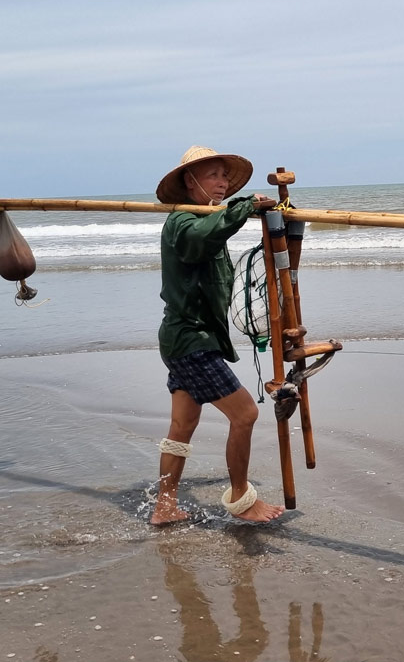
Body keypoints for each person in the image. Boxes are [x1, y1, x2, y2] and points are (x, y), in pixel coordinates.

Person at [150, 145, 285, 526]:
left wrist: (245, 208)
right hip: (191, 341)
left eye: (225, 176)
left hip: (184, 339)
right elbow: (203, 236)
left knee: (182, 427)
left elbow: (215, 227)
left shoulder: (207, 217)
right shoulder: (183, 224)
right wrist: (244, 208)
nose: (223, 182)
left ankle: (164, 506)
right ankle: (242, 498)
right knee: (245, 414)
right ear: (189, 183)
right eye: (213, 175)